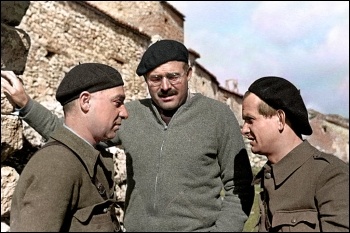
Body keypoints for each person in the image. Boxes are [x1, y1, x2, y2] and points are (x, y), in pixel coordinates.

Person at [1, 39, 254, 232]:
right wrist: (26, 106)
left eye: (173, 76)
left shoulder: (217, 116)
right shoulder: (130, 115)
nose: (165, 86)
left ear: (188, 74)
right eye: (155, 79)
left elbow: (239, 186)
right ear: (145, 81)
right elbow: (73, 135)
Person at [2, 63, 129, 232]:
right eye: (117, 102)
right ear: (85, 101)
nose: (124, 113)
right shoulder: (56, 165)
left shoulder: (88, 159)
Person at [241, 76, 349, 232]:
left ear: (280, 119)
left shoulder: (331, 176)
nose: (244, 129)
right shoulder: (269, 177)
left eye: (250, 120)